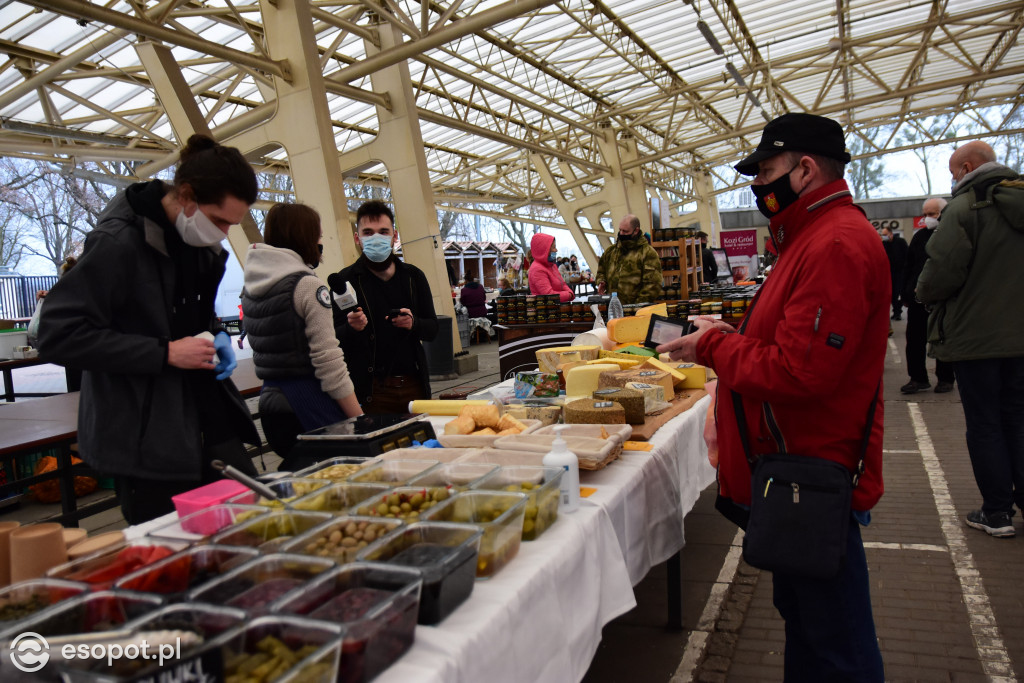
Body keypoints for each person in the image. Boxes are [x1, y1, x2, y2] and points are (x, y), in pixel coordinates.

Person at [656, 113, 887, 681]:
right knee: (813, 631)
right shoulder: (811, 237)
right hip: (796, 473)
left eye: (765, 171)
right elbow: (797, 347)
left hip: (811, 478)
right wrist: (737, 338)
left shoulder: (833, 243)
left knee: (836, 646)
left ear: (805, 170)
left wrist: (715, 347)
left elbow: (801, 373)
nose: (757, 185)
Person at [37, 134, 260, 525]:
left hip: (205, 417)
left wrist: (215, 334)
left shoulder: (202, 248)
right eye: (220, 220)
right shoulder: (117, 243)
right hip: (145, 437)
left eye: (233, 224)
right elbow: (58, 333)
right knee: (175, 550)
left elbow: (188, 316)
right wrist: (165, 352)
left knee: (249, 523)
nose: (225, 233)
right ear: (187, 196)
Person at [917, 140, 1024, 539]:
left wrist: (923, 293)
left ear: (966, 168)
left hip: (977, 339)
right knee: (1017, 417)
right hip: (1020, 338)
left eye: (952, 172)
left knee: (985, 424)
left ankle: (997, 512)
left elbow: (942, 270)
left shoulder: (965, 209)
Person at [241, 203, 362, 463]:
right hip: (309, 402)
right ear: (303, 237)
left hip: (271, 403)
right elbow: (328, 361)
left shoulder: (250, 287)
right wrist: (359, 418)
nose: (320, 243)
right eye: (318, 236)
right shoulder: (307, 286)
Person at [328, 200, 438, 414]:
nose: (375, 238)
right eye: (368, 232)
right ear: (357, 238)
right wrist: (351, 327)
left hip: (413, 386)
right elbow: (331, 338)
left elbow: (433, 329)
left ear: (394, 236)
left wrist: (413, 323)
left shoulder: (413, 277)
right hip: (371, 391)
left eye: (383, 232)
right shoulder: (345, 281)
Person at [900, 198, 955, 394]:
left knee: (942, 339)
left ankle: (946, 378)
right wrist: (905, 291)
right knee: (914, 340)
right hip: (917, 299)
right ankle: (917, 378)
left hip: (942, 300)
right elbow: (909, 265)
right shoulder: (919, 237)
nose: (927, 218)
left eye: (932, 214)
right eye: (925, 214)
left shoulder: (951, 236)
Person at [595, 214, 663, 304]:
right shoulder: (610, 252)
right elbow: (601, 272)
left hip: (636, 311)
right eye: (620, 230)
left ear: (636, 230)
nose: (621, 234)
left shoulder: (647, 253)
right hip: (612, 308)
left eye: (625, 231)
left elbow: (653, 285)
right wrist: (601, 282)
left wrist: (637, 306)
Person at [527, 233, 573, 302]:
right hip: (545, 310)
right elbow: (549, 295)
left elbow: (563, 284)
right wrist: (569, 295)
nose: (556, 250)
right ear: (545, 249)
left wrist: (569, 293)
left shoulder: (552, 265)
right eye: (553, 247)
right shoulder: (537, 269)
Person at [881, 225, 908, 321]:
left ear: (891, 234)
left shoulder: (900, 242)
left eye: (885, 234)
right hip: (890, 273)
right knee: (892, 294)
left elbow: (907, 255)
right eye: (882, 235)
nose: (884, 236)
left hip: (900, 272)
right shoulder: (883, 244)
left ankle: (897, 311)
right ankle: (896, 311)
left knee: (899, 292)